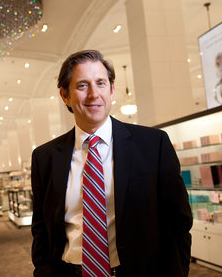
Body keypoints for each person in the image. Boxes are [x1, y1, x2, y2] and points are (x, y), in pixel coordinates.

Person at [31, 50, 192, 277]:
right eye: (82, 86)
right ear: (64, 95)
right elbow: (41, 227)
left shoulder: (153, 144)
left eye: (100, 83)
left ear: (112, 89)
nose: (94, 94)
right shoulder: (45, 157)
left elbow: (179, 220)